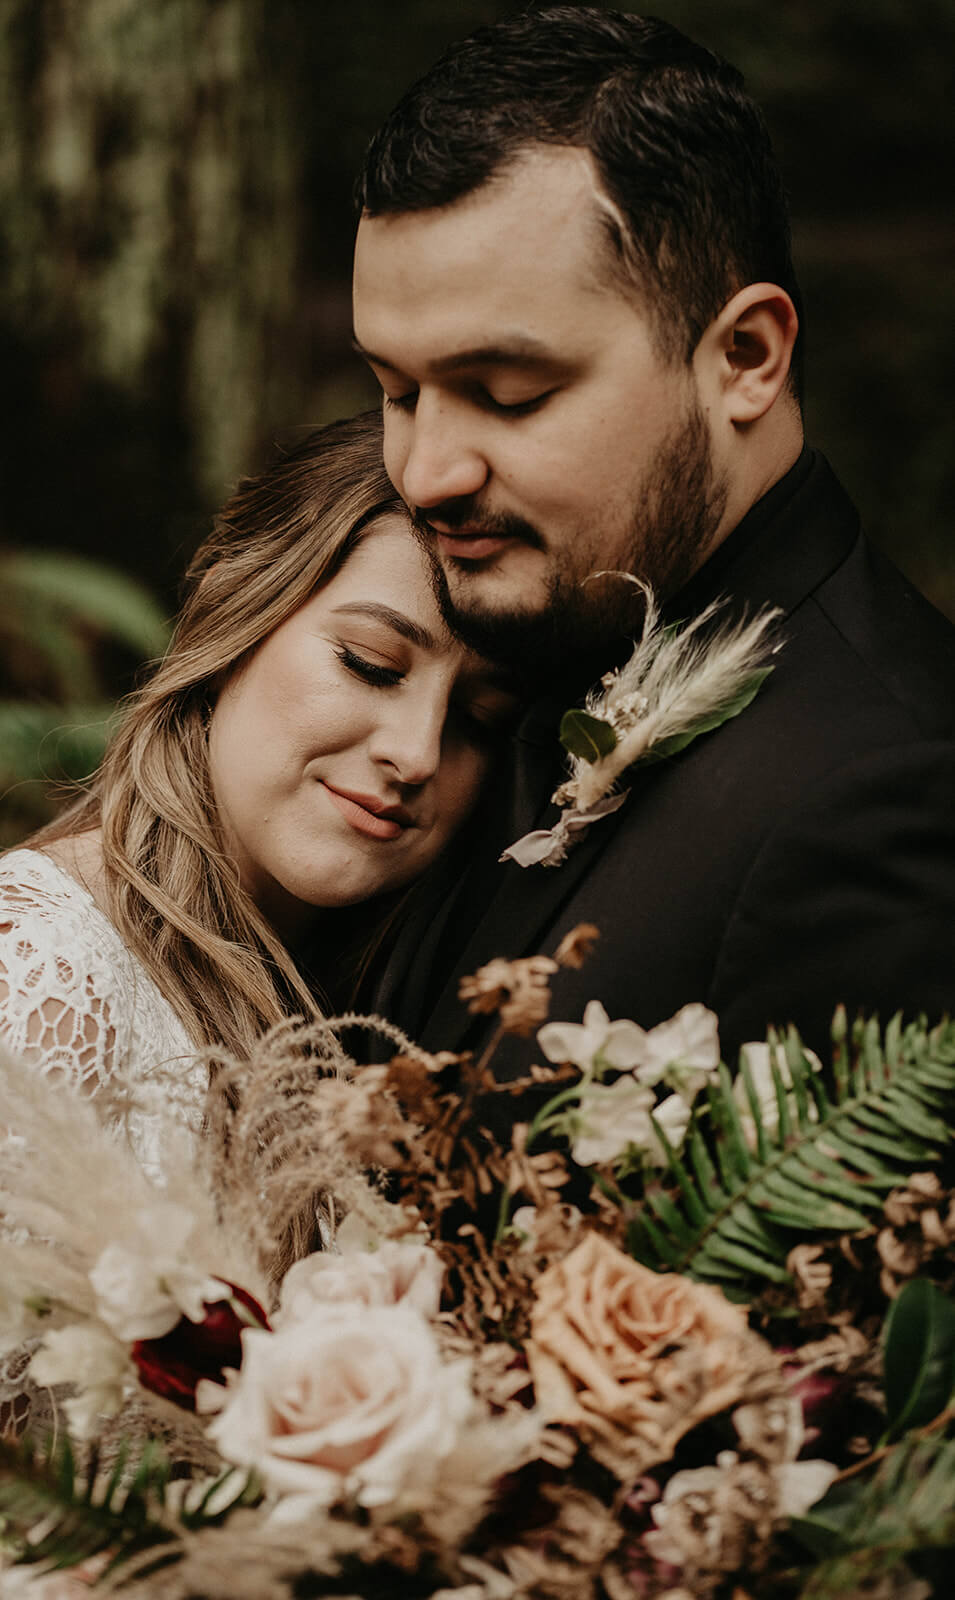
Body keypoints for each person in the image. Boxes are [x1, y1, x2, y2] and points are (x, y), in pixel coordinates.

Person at [0, 411, 515, 1584]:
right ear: (235, 614)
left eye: (479, 722)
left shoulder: (324, 1017)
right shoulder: (14, 986)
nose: (416, 749)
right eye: (370, 665)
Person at [351, 6, 955, 1072]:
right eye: (395, 390)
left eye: (507, 394)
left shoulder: (883, 804)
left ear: (744, 358)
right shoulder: (493, 682)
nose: (423, 473)